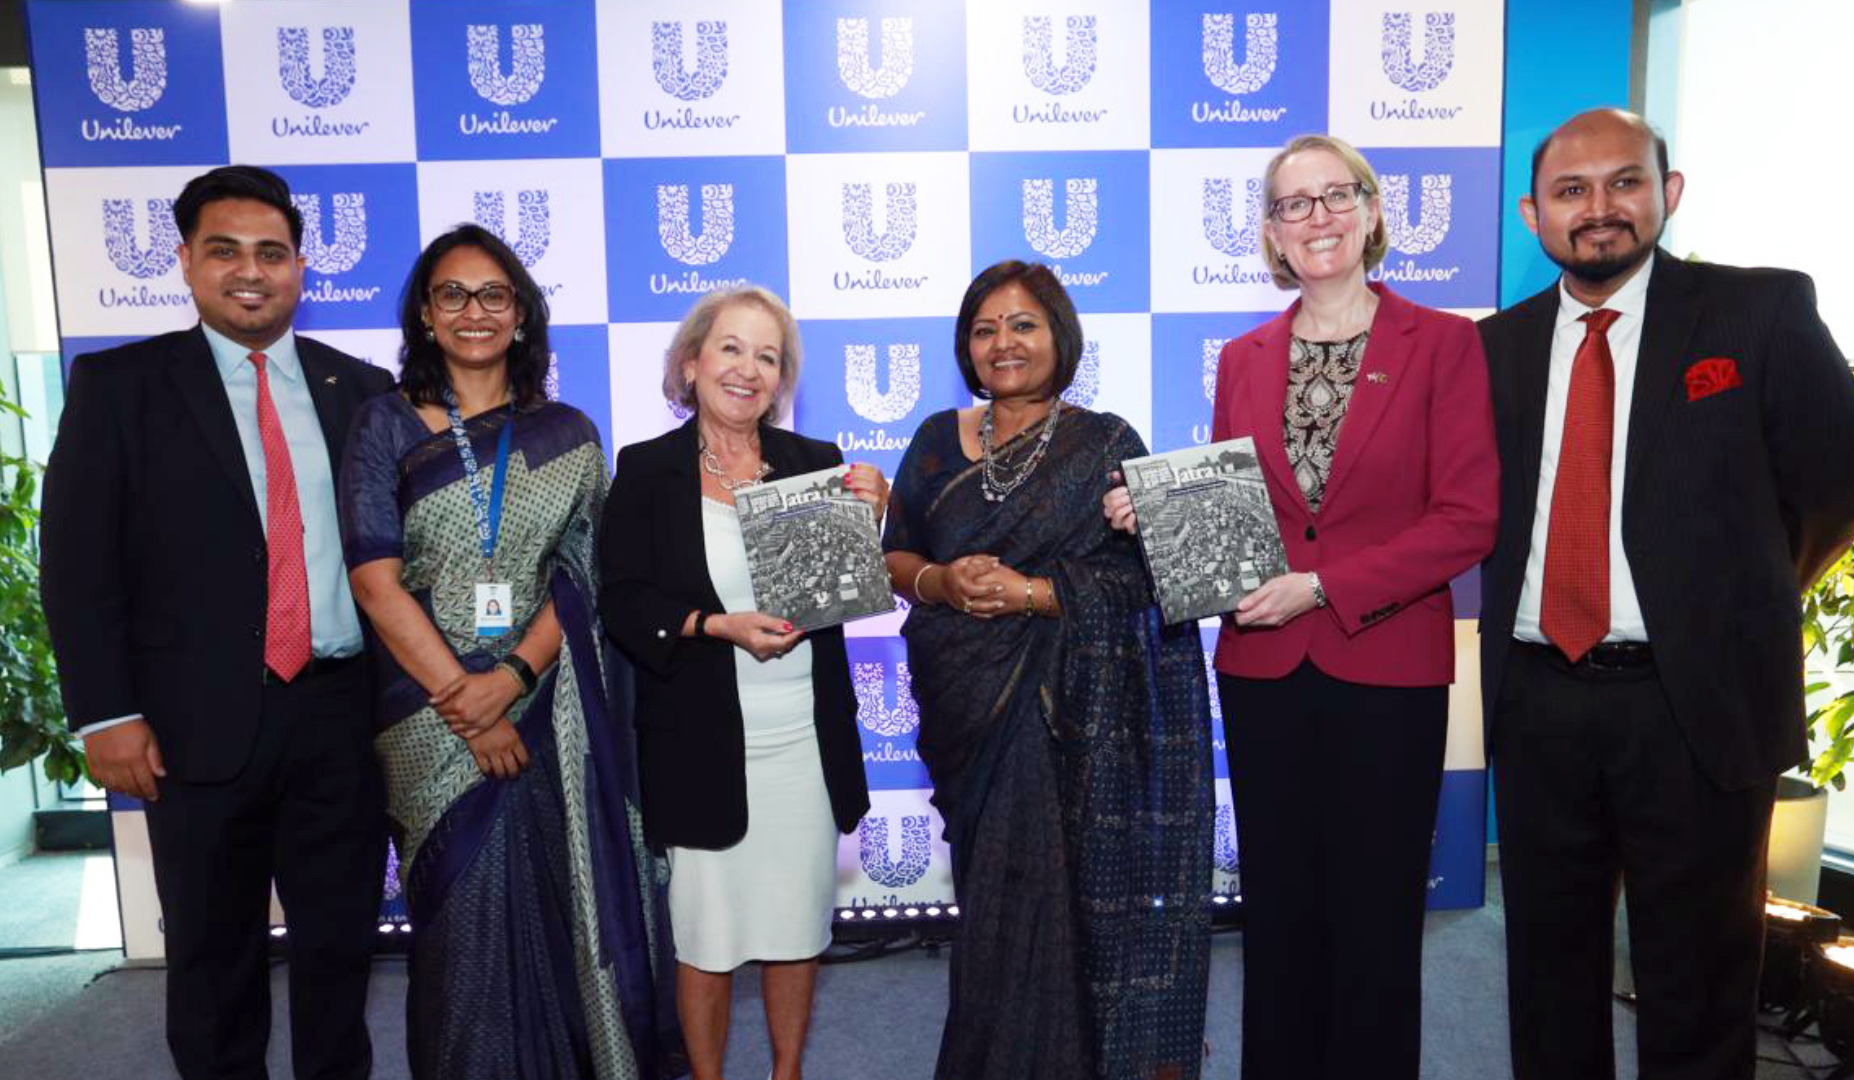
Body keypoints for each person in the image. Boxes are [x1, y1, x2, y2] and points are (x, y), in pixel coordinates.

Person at [1477, 108, 1854, 1080]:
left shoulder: (1759, 314)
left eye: (1625, 181)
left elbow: (1839, 481)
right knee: (1547, 972)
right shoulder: (1493, 348)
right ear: (1536, 213)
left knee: (1697, 982)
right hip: (1540, 702)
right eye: (1572, 191)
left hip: (1694, 705)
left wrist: (1731, 603)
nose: (1600, 209)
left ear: (1671, 192)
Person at [1107, 134, 1500, 1080]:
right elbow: (1238, 518)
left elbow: (1468, 520)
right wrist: (1151, 512)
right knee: (1278, 908)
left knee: (1375, 910)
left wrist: (1324, 587)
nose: (1315, 218)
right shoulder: (1243, 356)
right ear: (1272, 235)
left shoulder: (1445, 342)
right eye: (1293, 204)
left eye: (1335, 197)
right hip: (1262, 669)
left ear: (1371, 213)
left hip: (1388, 666)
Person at [39, 165, 393, 1080]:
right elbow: (79, 565)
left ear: (301, 268)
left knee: (338, 950)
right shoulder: (120, 385)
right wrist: (105, 713)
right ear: (188, 264)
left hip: (340, 715)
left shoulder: (361, 388)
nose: (251, 270)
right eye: (225, 250)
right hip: (191, 725)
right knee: (209, 958)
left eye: (271, 252)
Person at [335, 224, 676, 1079]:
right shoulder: (379, 424)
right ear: (424, 312)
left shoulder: (565, 432)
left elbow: (586, 574)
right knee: (460, 931)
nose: (473, 311)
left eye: (494, 295)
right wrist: (466, 701)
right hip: (425, 714)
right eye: (451, 293)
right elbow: (376, 582)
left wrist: (513, 676)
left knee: (561, 918)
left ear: (521, 315)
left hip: (547, 702)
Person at [884, 260, 1215, 1080]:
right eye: (985, 327)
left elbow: (1154, 577)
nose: (1004, 343)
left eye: (1023, 324)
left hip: (1076, 715)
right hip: (969, 704)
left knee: (1067, 907)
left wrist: (1034, 593)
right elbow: (897, 554)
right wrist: (941, 581)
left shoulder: (1106, 441)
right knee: (993, 902)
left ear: (1058, 336)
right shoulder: (934, 438)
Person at [598, 286, 881, 1080]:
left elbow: (843, 584)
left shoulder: (816, 466)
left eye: (768, 356)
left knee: (796, 928)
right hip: (698, 742)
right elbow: (622, 599)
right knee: (707, 938)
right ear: (691, 364)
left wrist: (873, 519)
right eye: (730, 348)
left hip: (802, 740)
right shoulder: (647, 471)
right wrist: (712, 626)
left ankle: (787, 1073)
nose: (748, 369)